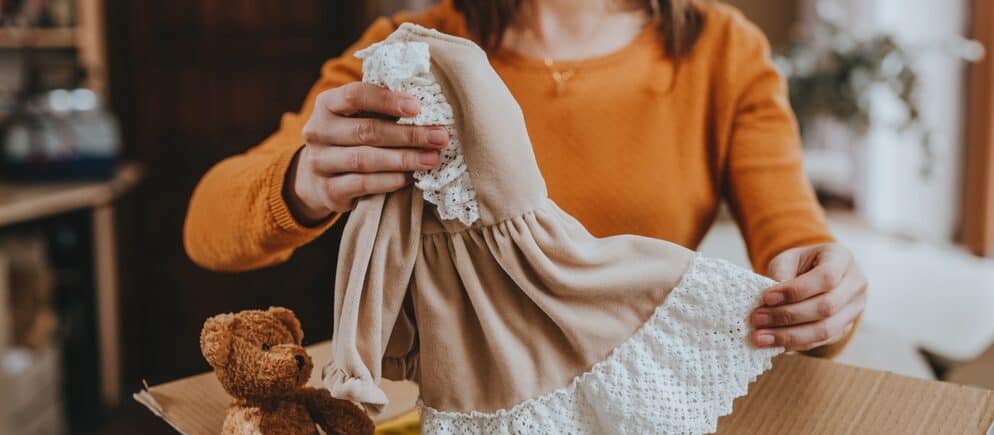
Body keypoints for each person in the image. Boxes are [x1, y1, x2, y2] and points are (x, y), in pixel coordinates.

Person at [183, 0, 866, 354]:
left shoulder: (725, 53)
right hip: (454, 429)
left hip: (640, 423)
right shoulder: (408, 52)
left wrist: (822, 294)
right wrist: (304, 182)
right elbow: (206, 226)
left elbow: (793, 238)